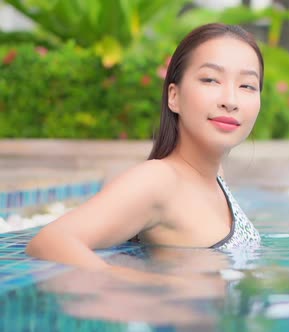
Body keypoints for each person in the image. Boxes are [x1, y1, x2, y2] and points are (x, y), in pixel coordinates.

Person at [26, 23, 263, 269]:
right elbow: (50, 241)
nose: (231, 101)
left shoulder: (214, 177)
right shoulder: (159, 180)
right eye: (211, 80)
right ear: (174, 96)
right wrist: (144, 286)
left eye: (247, 85)